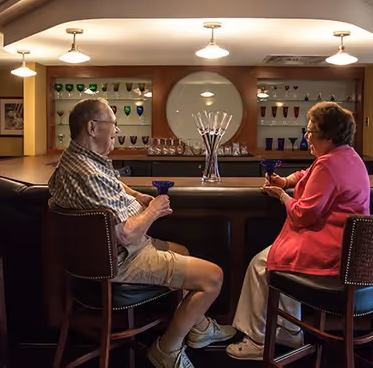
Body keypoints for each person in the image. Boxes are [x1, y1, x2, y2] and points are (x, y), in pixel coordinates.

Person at [49, 98, 235, 368]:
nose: (117, 130)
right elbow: (126, 235)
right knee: (213, 277)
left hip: (87, 261)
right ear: (92, 127)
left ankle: (200, 326)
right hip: (121, 259)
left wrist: (139, 197)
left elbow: (114, 185)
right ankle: (167, 350)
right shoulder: (88, 174)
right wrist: (155, 209)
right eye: (113, 123)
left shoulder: (74, 160)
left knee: (182, 251)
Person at [226, 102, 370, 361]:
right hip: (347, 248)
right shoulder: (348, 156)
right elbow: (310, 173)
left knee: (263, 264)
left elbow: (304, 214)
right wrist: (288, 180)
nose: (307, 135)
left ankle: (258, 340)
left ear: (328, 136)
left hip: (330, 250)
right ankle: (290, 331)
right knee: (278, 258)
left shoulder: (328, 165)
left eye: (311, 130)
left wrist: (282, 195)